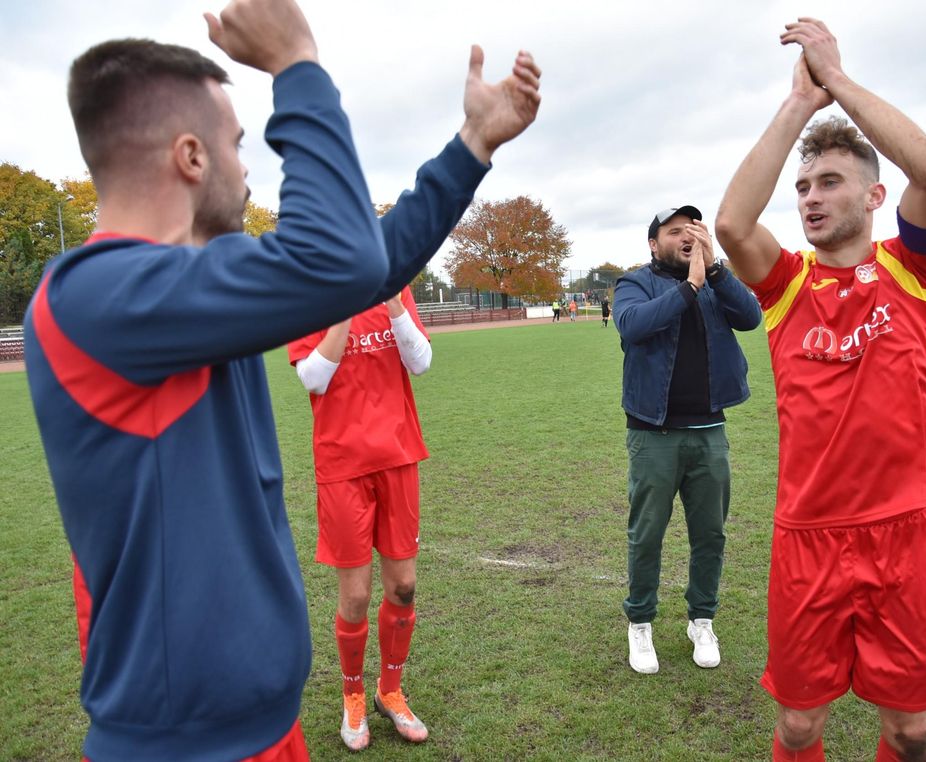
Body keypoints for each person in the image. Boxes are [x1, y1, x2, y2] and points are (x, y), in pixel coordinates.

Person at [21, 0, 542, 756]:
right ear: (192, 158)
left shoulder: (174, 290)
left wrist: (472, 146)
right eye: (240, 145)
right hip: (188, 744)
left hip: (258, 725)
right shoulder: (96, 297)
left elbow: (363, 268)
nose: (248, 166)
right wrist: (297, 62)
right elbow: (339, 261)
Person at [715, 18, 926, 762]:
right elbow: (730, 222)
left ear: (875, 195)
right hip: (808, 543)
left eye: (829, 183)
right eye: (804, 188)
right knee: (797, 726)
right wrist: (800, 105)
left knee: (910, 731)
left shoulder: (911, 274)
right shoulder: (787, 288)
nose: (810, 198)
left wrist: (840, 84)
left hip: (902, 539)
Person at [614, 205, 761, 674]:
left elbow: (751, 317)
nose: (685, 237)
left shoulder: (716, 281)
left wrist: (714, 270)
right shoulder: (634, 283)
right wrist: (690, 286)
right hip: (653, 434)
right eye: (674, 231)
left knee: (710, 535)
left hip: (709, 432)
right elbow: (633, 325)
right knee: (647, 534)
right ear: (654, 244)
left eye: (692, 230)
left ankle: (702, 619)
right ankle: (640, 623)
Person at [287, 287, 433, 750]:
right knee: (355, 596)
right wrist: (343, 310)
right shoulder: (310, 298)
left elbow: (421, 362)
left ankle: (389, 691)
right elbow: (313, 378)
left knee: (403, 587)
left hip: (398, 456)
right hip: (342, 466)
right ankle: (352, 695)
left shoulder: (397, 289)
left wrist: (390, 302)